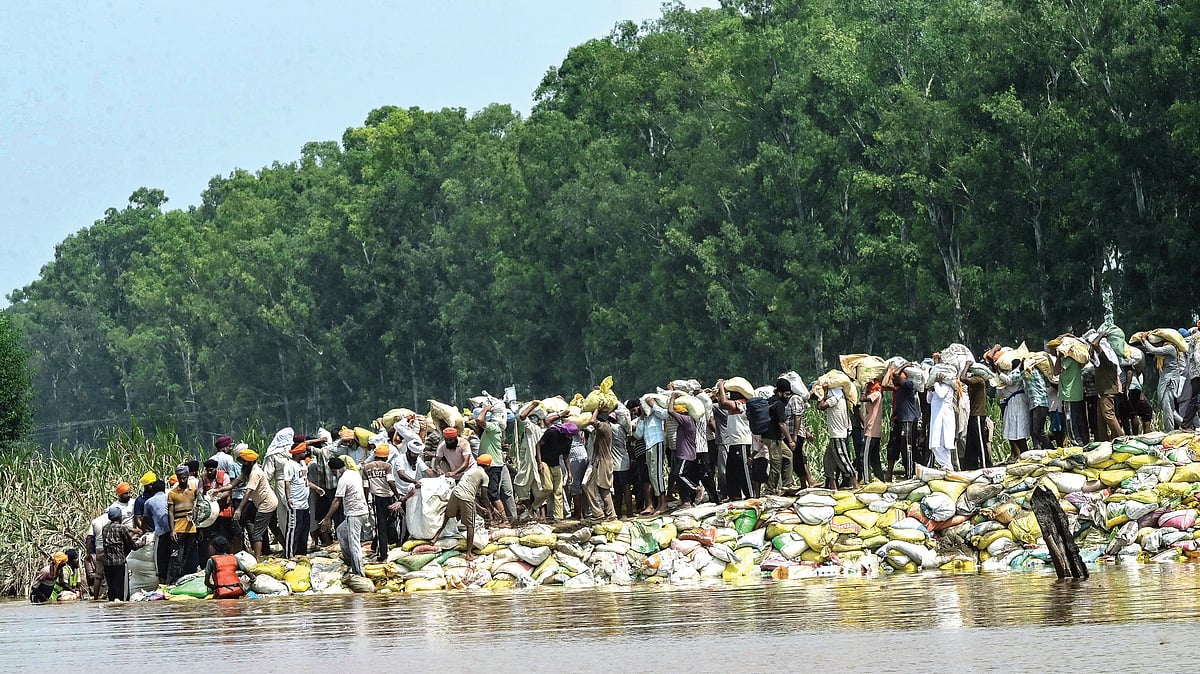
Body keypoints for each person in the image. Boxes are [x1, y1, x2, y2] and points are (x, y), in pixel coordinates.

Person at [430, 455, 493, 561]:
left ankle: (435, 537)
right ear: (488, 466)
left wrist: (480, 508)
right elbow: (484, 496)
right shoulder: (484, 475)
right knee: (470, 526)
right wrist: (491, 508)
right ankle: (469, 554)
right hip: (466, 498)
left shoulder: (470, 471)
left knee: (447, 516)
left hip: (455, 493)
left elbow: (468, 491)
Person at [226, 448, 279, 562]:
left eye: (244, 461)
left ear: (250, 462)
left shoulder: (255, 473)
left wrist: (239, 509)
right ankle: (288, 551)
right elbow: (234, 483)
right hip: (265, 502)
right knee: (274, 527)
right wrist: (220, 490)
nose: (242, 463)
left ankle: (258, 559)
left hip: (267, 504)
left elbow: (248, 492)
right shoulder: (247, 471)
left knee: (256, 533)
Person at [320, 457, 369, 576]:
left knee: (354, 544)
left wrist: (327, 519)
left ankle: (359, 572)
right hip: (360, 511)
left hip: (355, 514)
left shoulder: (344, 480)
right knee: (341, 531)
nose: (333, 474)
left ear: (336, 469)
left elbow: (337, 500)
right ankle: (350, 561)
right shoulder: (354, 473)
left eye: (332, 472)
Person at [1135, 331, 1187, 431]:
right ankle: (1185, 425)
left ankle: (1169, 430)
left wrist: (1145, 340)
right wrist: (1143, 342)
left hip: (1170, 379)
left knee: (1167, 406)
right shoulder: (1163, 351)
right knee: (1168, 407)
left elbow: (1153, 350)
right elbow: (1150, 350)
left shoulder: (1170, 348)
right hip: (1166, 378)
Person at [475, 403, 517, 521]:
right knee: (492, 493)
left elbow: (479, 420)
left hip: (492, 466)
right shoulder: (494, 430)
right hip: (494, 465)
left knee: (492, 494)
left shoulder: (493, 427)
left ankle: (504, 520)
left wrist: (486, 409)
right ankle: (500, 519)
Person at [716, 380, 755, 501]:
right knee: (731, 472)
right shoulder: (736, 404)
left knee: (744, 471)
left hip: (742, 442)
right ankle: (735, 496)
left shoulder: (740, 404)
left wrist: (722, 386)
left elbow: (723, 403)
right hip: (734, 442)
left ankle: (751, 495)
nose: (730, 395)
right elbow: (722, 402)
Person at [363, 444, 402, 561]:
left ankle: (377, 546)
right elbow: (390, 481)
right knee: (386, 524)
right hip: (388, 497)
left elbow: (366, 486)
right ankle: (382, 554)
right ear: (386, 457)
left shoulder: (366, 468)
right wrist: (397, 495)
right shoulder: (387, 466)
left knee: (383, 523)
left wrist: (365, 500)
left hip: (377, 498)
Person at [282, 442, 321, 558]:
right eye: (303, 452)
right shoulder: (289, 465)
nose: (305, 453)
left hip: (305, 504)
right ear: (298, 453)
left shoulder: (303, 465)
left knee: (304, 530)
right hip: (295, 503)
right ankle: (290, 555)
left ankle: (301, 553)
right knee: (294, 529)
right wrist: (289, 498)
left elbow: (305, 481)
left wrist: (317, 488)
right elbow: (287, 483)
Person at [883, 363, 920, 481]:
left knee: (907, 449)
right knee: (896, 447)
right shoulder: (898, 389)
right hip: (900, 420)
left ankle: (909, 475)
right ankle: (902, 474)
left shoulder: (908, 385)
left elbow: (895, 374)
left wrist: (905, 365)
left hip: (908, 421)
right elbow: (885, 384)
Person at [818, 387, 859, 489]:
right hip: (835, 435)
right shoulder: (839, 398)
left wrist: (822, 396)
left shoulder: (834, 399)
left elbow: (820, 406)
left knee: (843, 459)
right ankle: (833, 486)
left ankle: (855, 484)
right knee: (828, 461)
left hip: (838, 435)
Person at [635, 394, 670, 513]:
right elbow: (638, 435)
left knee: (657, 474)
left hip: (657, 442)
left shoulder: (656, 413)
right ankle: (659, 503)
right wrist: (641, 418)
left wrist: (653, 405)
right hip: (648, 446)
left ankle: (663, 502)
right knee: (652, 475)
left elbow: (666, 414)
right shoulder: (644, 418)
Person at [166, 465, 199, 583]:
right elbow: (170, 512)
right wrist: (172, 530)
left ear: (188, 477)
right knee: (176, 557)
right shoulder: (172, 493)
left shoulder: (193, 491)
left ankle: (184, 580)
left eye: (184, 478)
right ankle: (172, 581)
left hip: (191, 529)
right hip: (178, 529)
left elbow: (199, 508)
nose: (182, 480)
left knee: (188, 557)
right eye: (180, 478)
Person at [583, 408, 618, 520]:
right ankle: (601, 513)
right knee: (591, 487)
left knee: (603, 489)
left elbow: (592, 421)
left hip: (603, 462)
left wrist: (597, 409)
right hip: (599, 461)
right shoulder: (603, 428)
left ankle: (608, 514)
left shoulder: (604, 427)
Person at [100, 505, 140, 601]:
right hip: (119, 563)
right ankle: (121, 612)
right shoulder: (122, 528)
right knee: (122, 593)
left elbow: (114, 541)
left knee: (112, 591)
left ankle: (112, 613)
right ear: (120, 517)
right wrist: (141, 544)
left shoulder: (105, 528)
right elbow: (132, 546)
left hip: (108, 564)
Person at [536, 420, 573, 521]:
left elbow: (566, 456)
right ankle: (534, 506)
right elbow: (538, 445)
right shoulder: (552, 432)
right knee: (548, 488)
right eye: (569, 435)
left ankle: (558, 518)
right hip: (544, 462)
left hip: (555, 464)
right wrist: (539, 463)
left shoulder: (568, 440)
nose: (570, 437)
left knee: (558, 492)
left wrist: (569, 472)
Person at [1053, 345, 1090, 445]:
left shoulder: (1068, 359)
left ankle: (1077, 443)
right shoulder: (1078, 359)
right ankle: (1084, 442)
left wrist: (1058, 357)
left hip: (1069, 394)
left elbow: (1056, 371)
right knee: (1079, 420)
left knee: (1070, 422)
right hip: (1078, 393)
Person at [761, 384, 793, 494]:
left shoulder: (769, 401)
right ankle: (769, 490)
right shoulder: (778, 404)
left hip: (774, 438)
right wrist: (790, 440)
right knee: (776, 463)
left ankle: (787, 485)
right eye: (786, 394)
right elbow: (782, 424)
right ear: (779, 392)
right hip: (772, 438)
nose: (788, 397)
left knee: (788, 455)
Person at [960, 364, 990, 469]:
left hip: (978, 414)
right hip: (973, 415)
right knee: (971, 442)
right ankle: (971, 466)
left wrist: (967, 365)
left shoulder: (979, 380)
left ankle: (986, 465)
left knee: (979, 440)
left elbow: (963, 378)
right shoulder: (975, 381)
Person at [142, 479, 171, 585]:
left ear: (153, 490)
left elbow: (144, 520)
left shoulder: (149, 502)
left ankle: (162, 584)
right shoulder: (170, 496)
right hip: (175, 531)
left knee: (160, 559)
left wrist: (143, 531)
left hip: (162, 533)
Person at [926, 370, 956, 470]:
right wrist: (930, 389)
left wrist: (936, 383)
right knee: (935, 444)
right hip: (936, 419)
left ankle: (947, 465)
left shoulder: (946, 387)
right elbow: (928, 400)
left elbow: (941, 394)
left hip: (945, 418)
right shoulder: (937, 386)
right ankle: (945, 464)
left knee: (944, 444)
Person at [861, 380, 885, 481]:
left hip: (871, 431)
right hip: (874, 431)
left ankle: (866, 479)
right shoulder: (877, 394)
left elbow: (862, 399)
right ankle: (881, 479)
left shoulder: (876, 393)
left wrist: (864, 389)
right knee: (875, 458)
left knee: (865, 457)